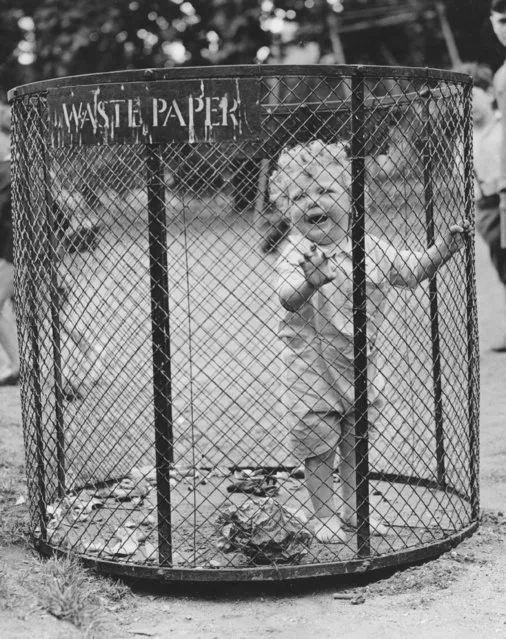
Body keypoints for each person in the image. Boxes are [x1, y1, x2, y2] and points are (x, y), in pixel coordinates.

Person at [271, 140, 468, 543]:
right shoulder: (295, 251)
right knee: (317, 438)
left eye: (325, 191)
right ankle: (323, 514)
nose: (312, 201)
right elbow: (287, 298)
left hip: (359, 362)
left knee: (355, 437)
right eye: (298, 196)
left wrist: (444, 249)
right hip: (311, 365)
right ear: (285, 208)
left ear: (350, 195)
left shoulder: (370, 247)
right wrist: (311, 281)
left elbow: (411, 272)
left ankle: (356, 509)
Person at [457, 61, 506, 351]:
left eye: (472, 97)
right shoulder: (464, 140)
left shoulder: (502, 127)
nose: (469, 106)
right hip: (487, 206)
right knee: (502, 266)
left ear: (488, 93)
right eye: (462, 102)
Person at [0, 103, 19, 385]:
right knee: (38, 309)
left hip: (19, 254)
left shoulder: (15, 169)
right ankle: (89, 349)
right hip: (7, 254)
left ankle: (16, 366)